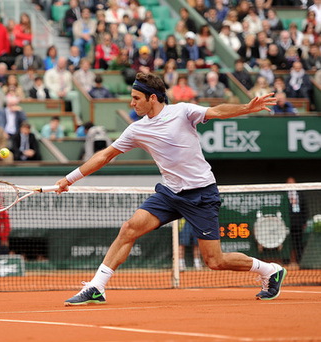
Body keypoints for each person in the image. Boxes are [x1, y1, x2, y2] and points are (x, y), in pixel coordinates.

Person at [56, 72, 284, 305]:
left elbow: (216, 111)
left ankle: (269, 270)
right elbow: (105, 155)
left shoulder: (182, 111)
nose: (132, 103)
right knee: (129, 229)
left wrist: (246, 107)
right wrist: (69, 179)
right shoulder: (136, 129)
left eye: (136, 98)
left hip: (201, 194)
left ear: (152, 98)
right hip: (170, 194)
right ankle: (97, 286)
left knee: (215, 261)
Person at [286, 177, 308, 267]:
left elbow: (305, 208)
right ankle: (286, 261)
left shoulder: (300, 194)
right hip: (288, 222)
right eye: (289, 183)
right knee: (288, 242)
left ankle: (299, 261)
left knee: (299, 242)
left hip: (298, 221)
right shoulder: (284, 194)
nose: (291, 185)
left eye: (292, 183)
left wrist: (304, 221)